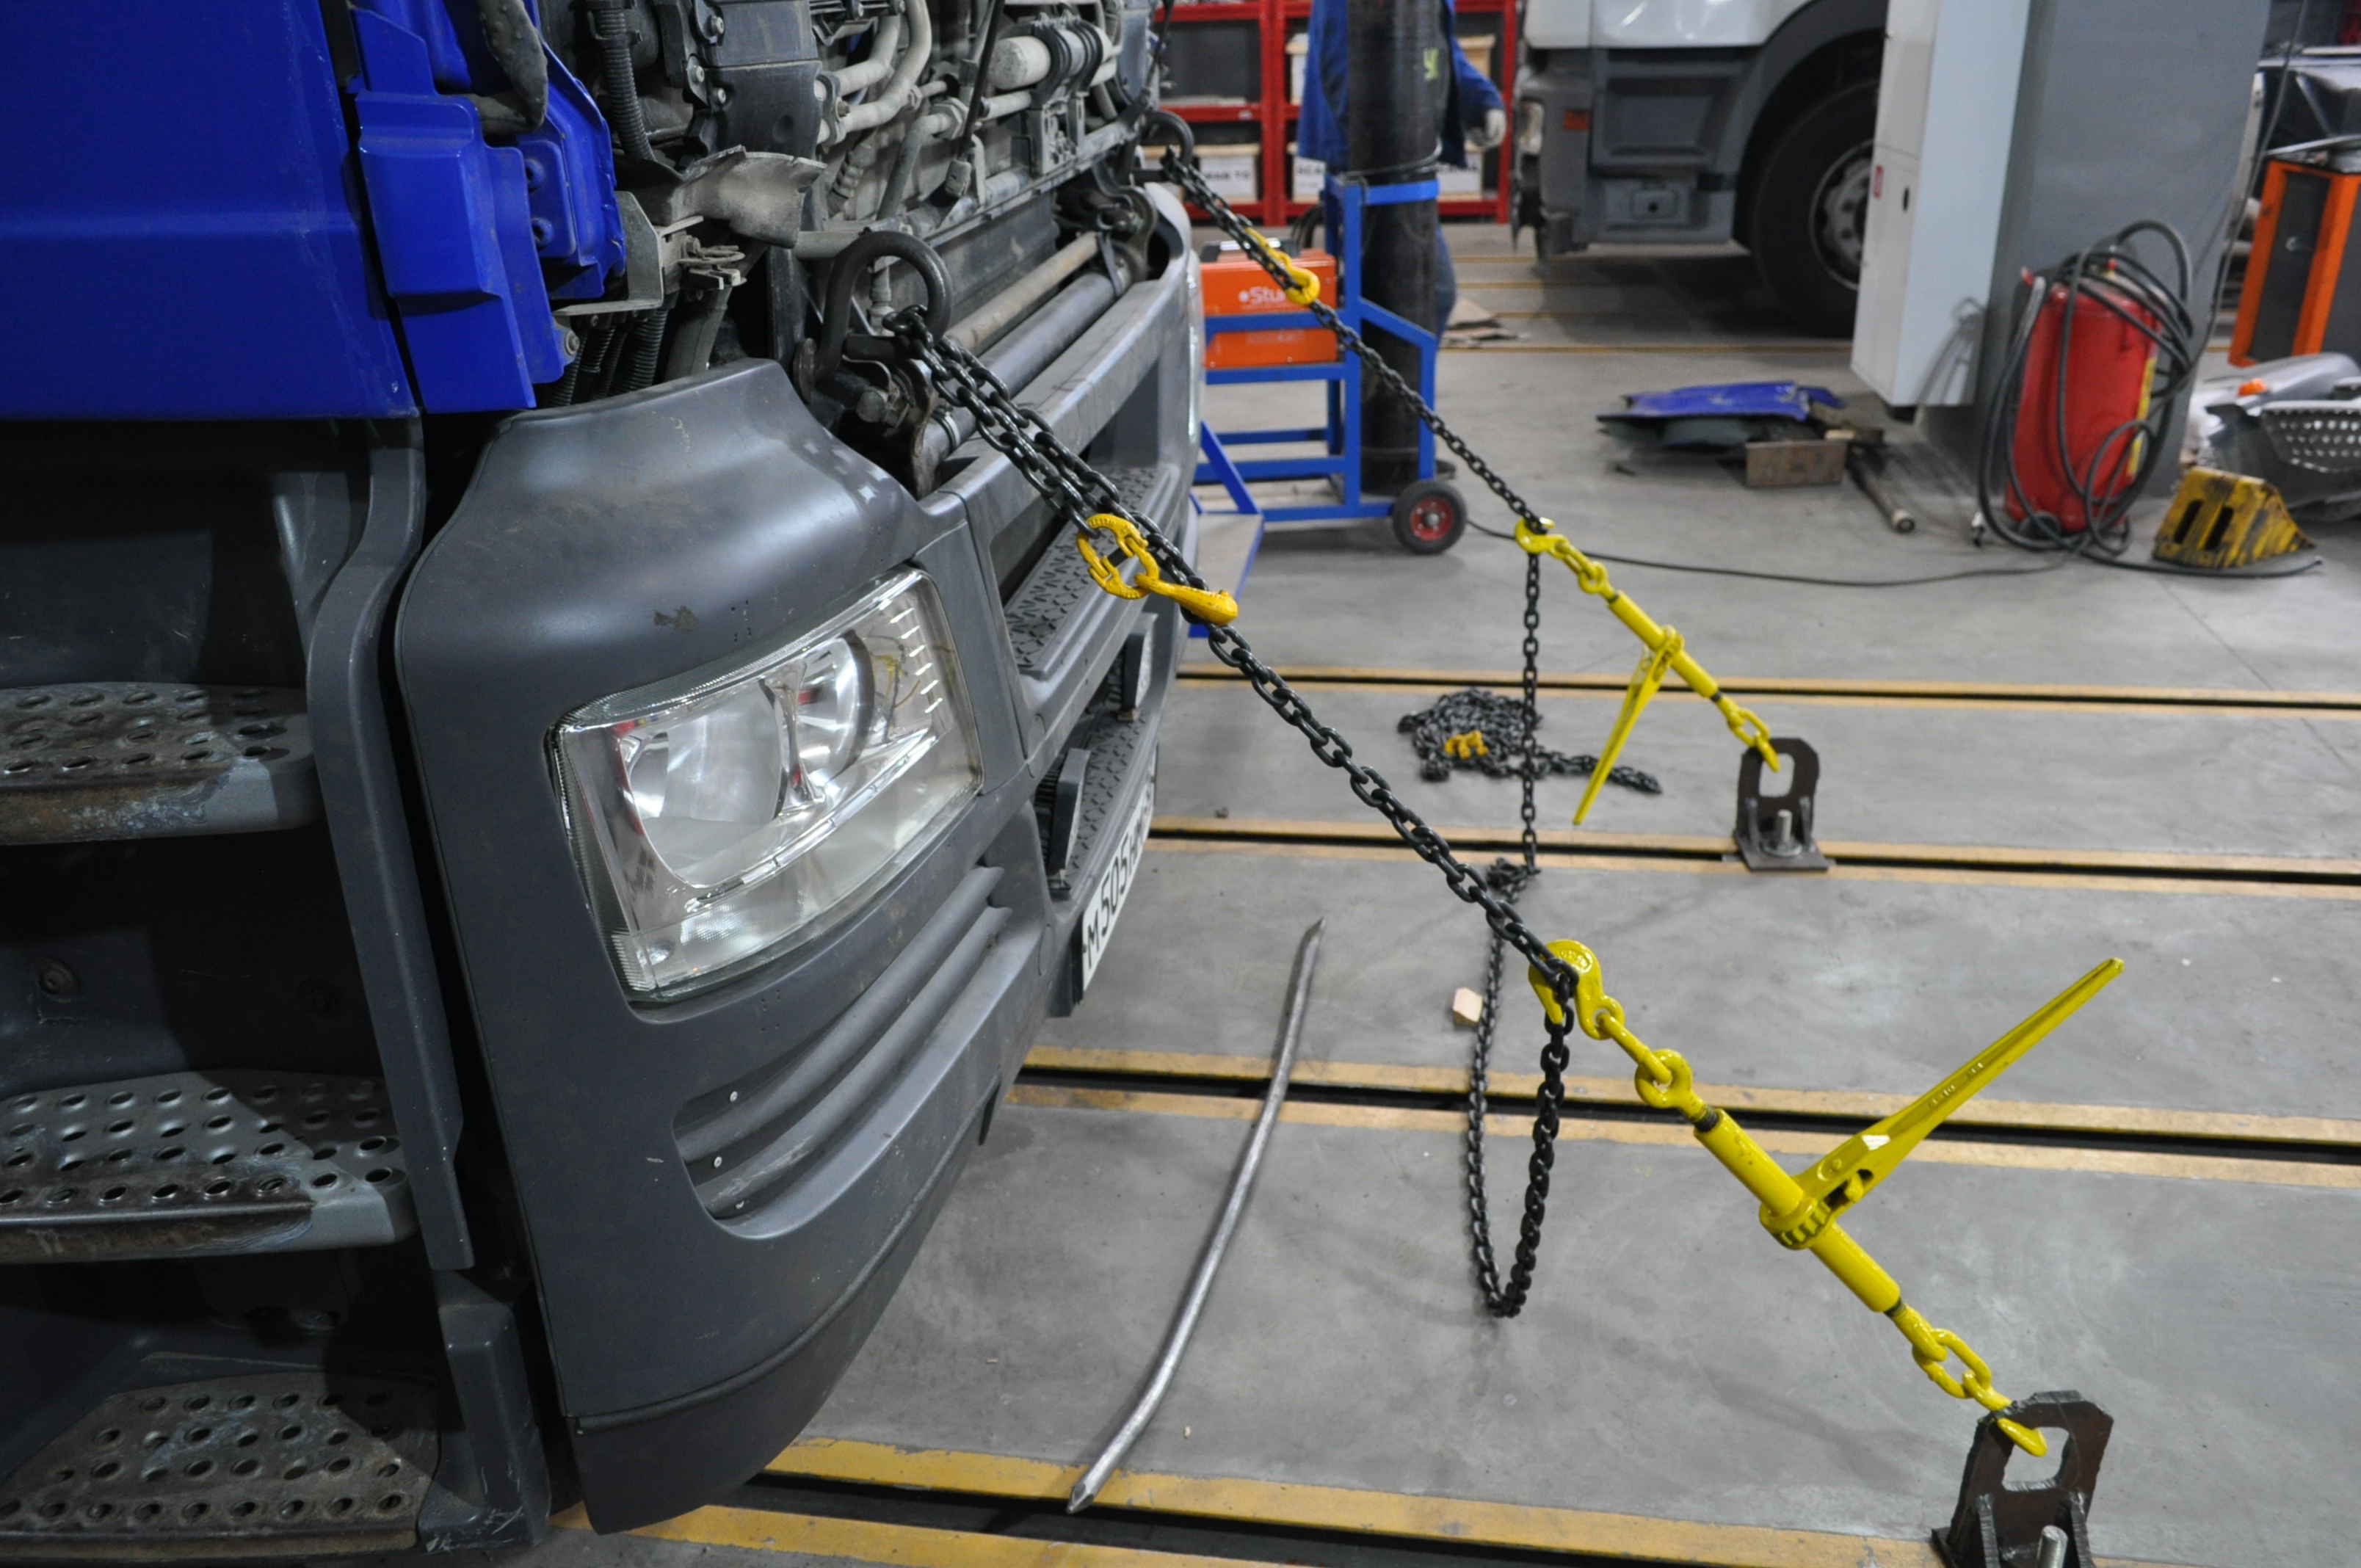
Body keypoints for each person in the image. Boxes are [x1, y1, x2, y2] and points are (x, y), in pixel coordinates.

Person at [1295, 0, 1505, 332]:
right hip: (1376, 164)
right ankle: (1381, 366)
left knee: (1401, 292)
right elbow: (1338, 59)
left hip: (1404, 161)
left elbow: (1437, 48)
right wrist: (1369, 148)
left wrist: (1482, 99)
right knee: (1428, 292)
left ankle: (1382, 364)